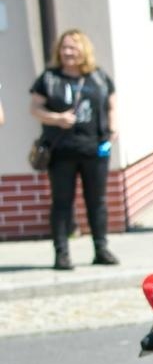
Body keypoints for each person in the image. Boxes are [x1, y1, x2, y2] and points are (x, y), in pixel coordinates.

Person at [29, 29, 118, 271]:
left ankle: (101, 248)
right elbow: (35, 108)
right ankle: (62, 253)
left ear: (83, 50)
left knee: (96, 201)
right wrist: (56, 118)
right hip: (61, 150)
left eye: (73, 47)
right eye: (64, 48)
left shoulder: (98, 76)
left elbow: (112, 104)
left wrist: (113, 128)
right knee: (62, 202)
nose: (67, 52)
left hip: (94, 148)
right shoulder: (49, 78)